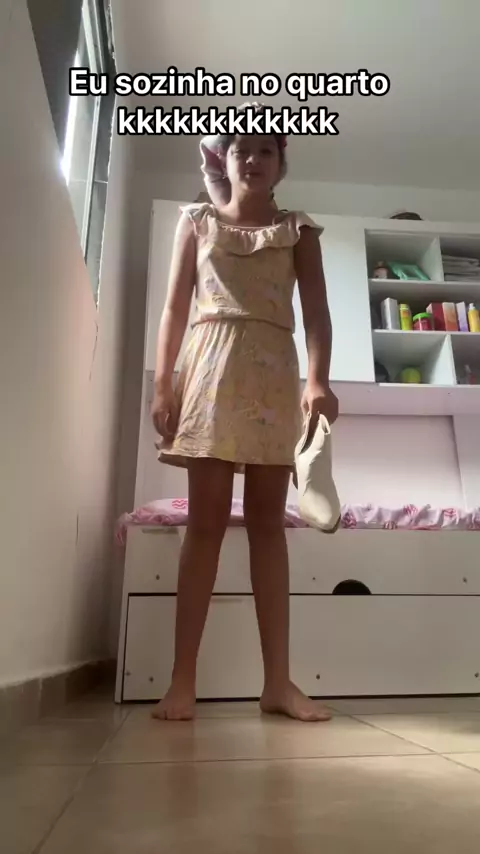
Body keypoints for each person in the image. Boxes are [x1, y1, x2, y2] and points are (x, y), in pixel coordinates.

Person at [151, 104, 338, 722]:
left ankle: (277, 684)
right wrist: (162, 385)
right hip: (208, 373)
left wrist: (318, 380)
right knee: (204, 524)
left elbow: (317, 315)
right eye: (240, 149)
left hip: (274, 378)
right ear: (223, 160)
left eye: (265, 150)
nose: (252, 158)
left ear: (281, 164)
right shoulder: (196, 223)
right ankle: (181, 682)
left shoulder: (299, 231)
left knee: (267, 527)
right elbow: (174, 309)